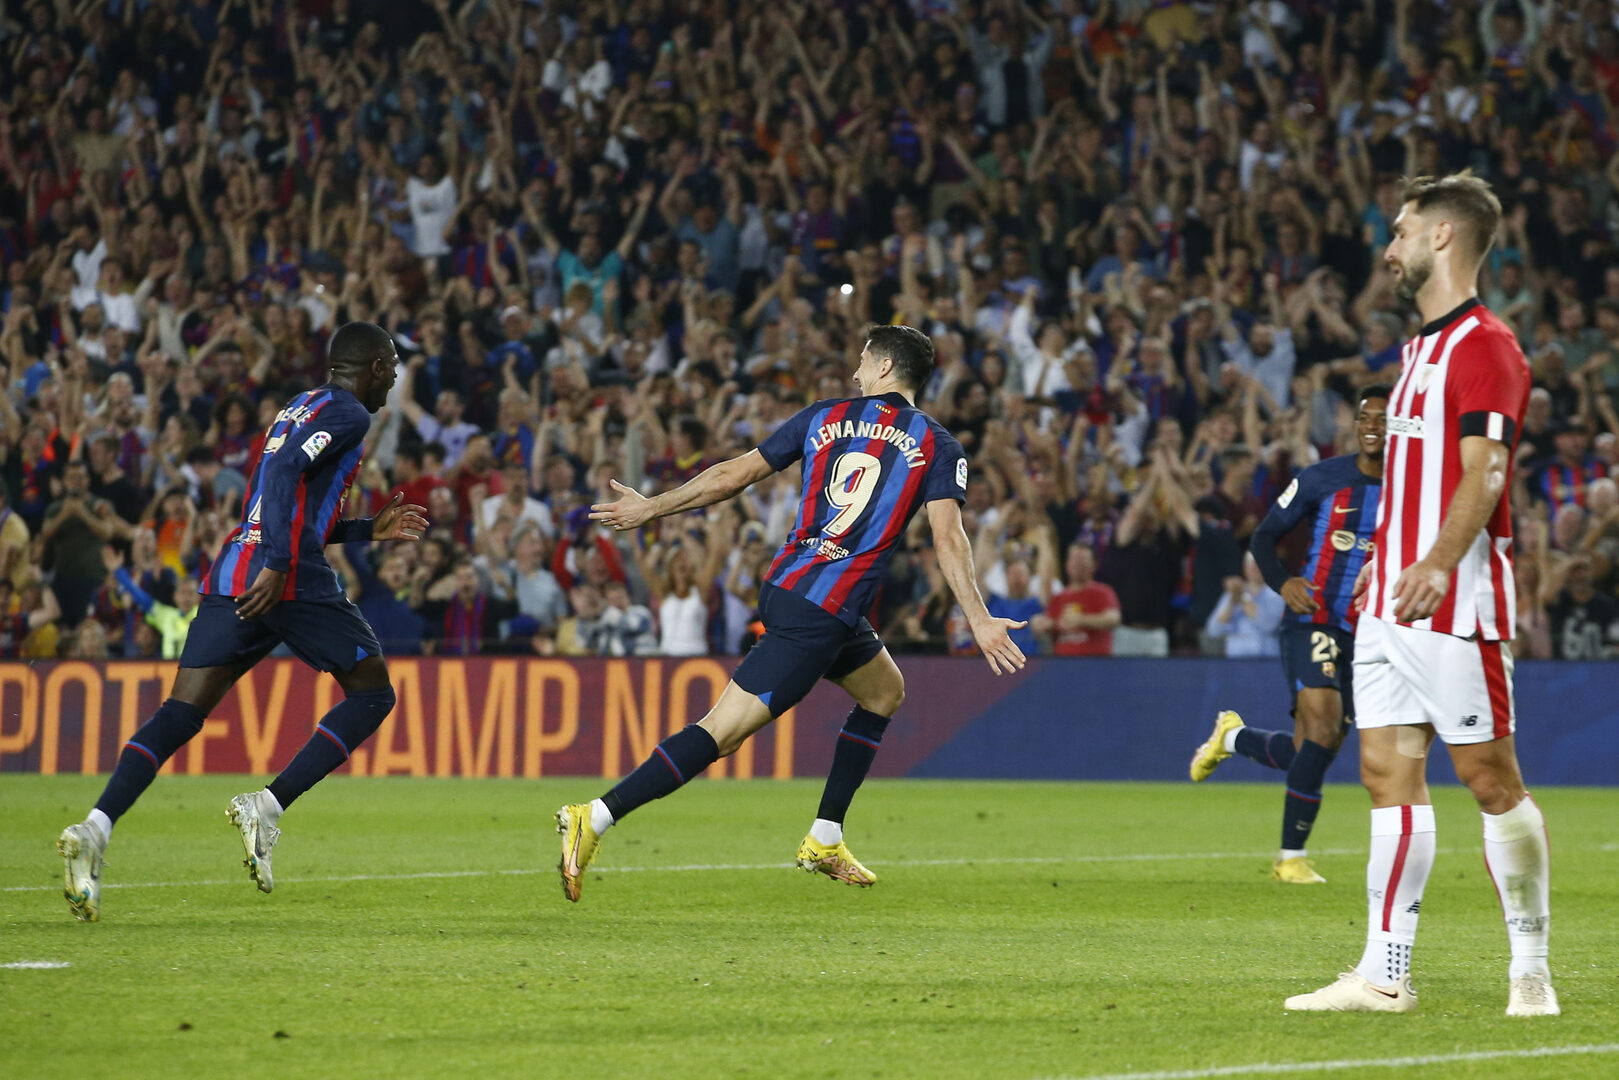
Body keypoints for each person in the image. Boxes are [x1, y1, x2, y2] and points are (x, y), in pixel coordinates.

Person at [556, 326, 1028, 902]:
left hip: (794, 587)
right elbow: (948, 537)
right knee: (721, 733)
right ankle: (595, 816)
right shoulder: (936, 443)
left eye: (863, 361)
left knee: (884, 692)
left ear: (884, 368)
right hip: (821, 609)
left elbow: (734, 474)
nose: (855, 371)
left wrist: (653, 506)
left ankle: (825, 837)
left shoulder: (825, 416)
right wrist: (978, 617)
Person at [1286, 174, 1556, 1017]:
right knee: (1384, 775)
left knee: (1488, 779)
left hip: (1453, 603)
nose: (1388, 248)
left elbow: (1486, 471)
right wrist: (1383, 556)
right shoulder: (1415, 352)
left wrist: (1436, 562)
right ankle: (1384, 974)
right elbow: (1412, 479)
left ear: (1442, 236)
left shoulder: (1487, 348)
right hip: (1388, 604)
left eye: (1400, 231)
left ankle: (1530, 968)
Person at [57, 322, 429, 922]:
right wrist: (280, 566)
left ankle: (95, 829)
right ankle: (268, 805)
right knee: (372, 693)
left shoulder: (299, 405)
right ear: (374, 367)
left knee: (180, 712)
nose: (393, 379)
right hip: (288, 576)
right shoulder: (351, 413)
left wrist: (365, 530)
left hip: (236, 567)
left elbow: (284, 496)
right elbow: (282, 479)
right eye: (391, 366)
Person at [1190, 385, 1389, 884]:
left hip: (1370, 635)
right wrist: (1284, 583)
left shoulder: (1412, 490)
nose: (1373, 426)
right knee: (1322, 730)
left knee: (1311, 751)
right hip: (1314, 617)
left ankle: (1232, 737)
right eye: (1365, 417)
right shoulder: (1322, 478)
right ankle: (1290, 858)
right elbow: (1263, 537)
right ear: (1355, 425)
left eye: (1384, 418)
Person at [103, 545, 201, 659]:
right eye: (183, 592)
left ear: (199, 596)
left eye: (191, 593)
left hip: (196, 669)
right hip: (169, 670)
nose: (186, 597)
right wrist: (119, 572)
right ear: (175, 596)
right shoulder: (166, 616)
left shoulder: (205, 616)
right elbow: (141, 598)